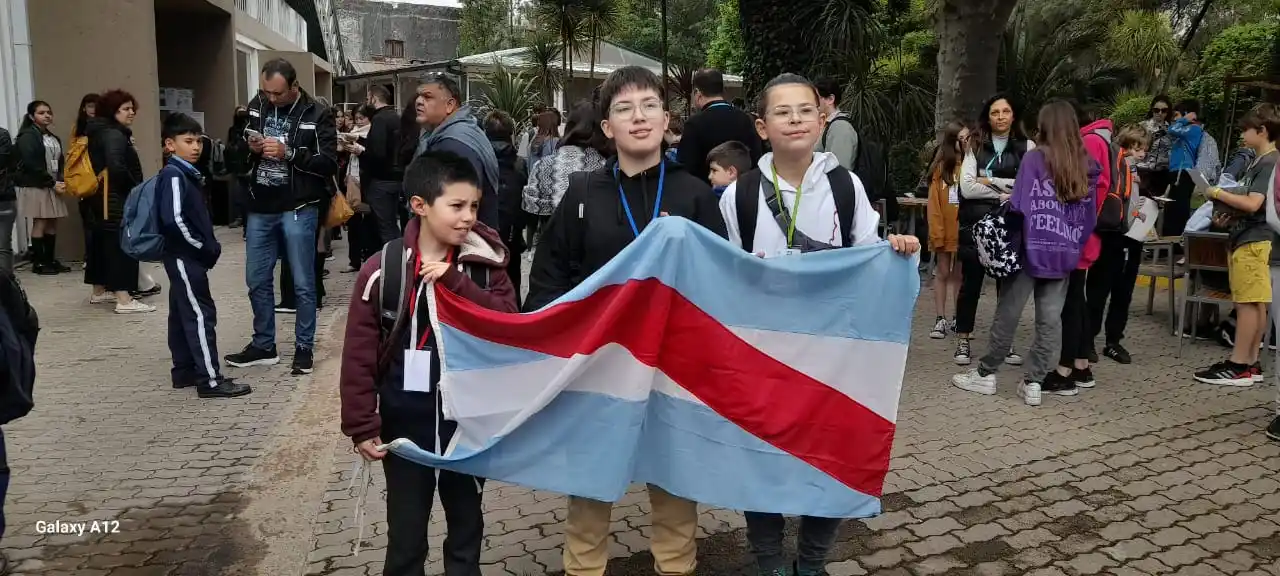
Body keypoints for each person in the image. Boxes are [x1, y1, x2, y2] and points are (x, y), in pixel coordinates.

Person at [526, 65, 727, 576]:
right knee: (590, 495)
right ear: (608, 127)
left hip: (674, 368)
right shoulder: (582, 194)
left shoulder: (696, 194)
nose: (638, 117)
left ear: (666, 118)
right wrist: (550, 351)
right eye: (623, 108)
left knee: (675, 490)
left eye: (649, 106)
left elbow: (722, 284)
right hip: (598, 369)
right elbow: (547, 285)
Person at [717, 72, 919, 576]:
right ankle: (769, 563)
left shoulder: (845, 187)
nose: (796, 120)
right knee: (760, 466)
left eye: (806, 110)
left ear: (823, 117)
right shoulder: (737, 196)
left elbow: (867, 257)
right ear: (762, 127)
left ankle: (811, 565)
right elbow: (726, 275)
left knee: (829, 462)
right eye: (782, 112)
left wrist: (894, 250)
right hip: (764, 359)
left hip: (834, 359)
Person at [341, 150, 517, 576]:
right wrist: (362, 424)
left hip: (468, 427)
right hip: (404, 429)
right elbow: (358, 353)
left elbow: (509, 323)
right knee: (405, 536)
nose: (467, 217)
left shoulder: (484, 267)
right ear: (420, 205)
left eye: (473, 206)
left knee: (466, 531)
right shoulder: (382, 270)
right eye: (456, 206)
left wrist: (455, 283)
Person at [952, 99, 1097, 406]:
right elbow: (1089, 217)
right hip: (1064, 251)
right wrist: (1072, 243)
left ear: (1044, 126)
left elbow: (1019, 204)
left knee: (1009, 311)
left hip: (1030, 248)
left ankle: (986, 373)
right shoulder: (1085, 164)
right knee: (1050, 318)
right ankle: (1034, 381)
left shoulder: (1034, 159)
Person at [223, 58, 337, 375]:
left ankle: (304, 348)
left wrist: (288, 153)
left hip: (300, 206)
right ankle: (264, 345)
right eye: (266, 92)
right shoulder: (257, 103)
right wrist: (251, 147)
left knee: (302, 282)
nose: (271, 99)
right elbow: (236, 147)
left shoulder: (317, 113)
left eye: (277, 93)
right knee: (256, 279)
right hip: (260, 206)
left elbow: (328, 162)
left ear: (294, 87)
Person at [155, 113, 251, 398]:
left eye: (198, 140)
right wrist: (199, 247)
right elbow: (173, 220)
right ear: (169, 145)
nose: (195, 146)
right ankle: (210, 380)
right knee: (200, 314)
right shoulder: (174, 174)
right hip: (186, 257)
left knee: (181, 312)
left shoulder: (187, 172)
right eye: (188, 141)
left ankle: (184, 370)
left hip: (185, 257)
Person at [1195, 104, 1279, 387]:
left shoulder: (1269, 161)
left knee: (1246, 304)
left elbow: (1254, 202)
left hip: (1255, 241)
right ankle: (1250, 362)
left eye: (1246, 130)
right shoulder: (1260, 161)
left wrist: (1217, 192)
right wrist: (1228, 215)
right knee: (1255, 303)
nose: (1242, 135)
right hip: (1249, 235)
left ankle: (1238, 364)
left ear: (1263, 130)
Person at [954, 94, 1034, 366]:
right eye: (995, 112)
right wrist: (1003, 191)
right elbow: (966, 187)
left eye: (1005, 111)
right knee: (971, 285)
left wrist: (987, 180)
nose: (1000, 117)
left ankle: (1005, 342)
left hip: (1009, 227)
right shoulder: (975, 145)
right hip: (975, 227)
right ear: (987, 116)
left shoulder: (1028, 147)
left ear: (1014, 115)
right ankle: (963, 338)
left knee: (1007, 288)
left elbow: (1029, 186)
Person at [1044, 106, 1110, 396]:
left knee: (1072, 303)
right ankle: (1081, 365)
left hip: (1077, 238)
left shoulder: (1090, 144)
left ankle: (1065, 370)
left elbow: (1090, 194)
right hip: (1084, 237)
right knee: (1077, 301)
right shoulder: (1098, 140)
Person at [84, 90, 154, 313]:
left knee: (101, 244)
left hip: (100, 198)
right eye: (125, 108)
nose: (131, 112)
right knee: (121, 246)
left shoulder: (100, 131)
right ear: (112, 111)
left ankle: (100, 290)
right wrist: (135, 188)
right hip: (115, 199)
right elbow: (116, 166)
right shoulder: (114, 134)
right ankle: (124, 298)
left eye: (132, 108)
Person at [1086, 125, 1150, 365]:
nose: (1140, 154)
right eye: (1136, 148)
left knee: (1123, 292)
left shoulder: (1137, 172)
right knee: (1099, 289)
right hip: (1112, 234)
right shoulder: (1115, 164)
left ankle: (1113, 339)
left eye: (1144, 150)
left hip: (1132, 237)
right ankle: (1088, 338)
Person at [414, 75, 500, 230]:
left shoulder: (453, 144)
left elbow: (458, 206)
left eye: (427, 96)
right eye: (418, 96)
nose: (419, 101)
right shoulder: (455, 133)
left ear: (449, 105)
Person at [520, 101, 610, 220]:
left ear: (569, 126)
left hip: (550, 236)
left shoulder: (542, 166)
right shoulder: (609, 168)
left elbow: (530, 213)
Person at [677, 68, 763, 185]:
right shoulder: (745, 119)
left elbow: (686, 169)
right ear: (722, 90)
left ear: (697, 93)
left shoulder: (694, 124)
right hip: (744, 192)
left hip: (707, 196)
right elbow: (757, 158)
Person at [925, 120, 969, 339]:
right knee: (942, 272)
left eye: (967, 138)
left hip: (964, 232)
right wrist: (937, 232)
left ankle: (958, 318)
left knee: (959, 275)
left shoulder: (973, 167)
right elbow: (934, 204)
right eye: (961, 139)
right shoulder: (942, 169)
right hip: (944, 230)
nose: (965, 143)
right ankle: (940, 318)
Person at [15, 100, 69, 275]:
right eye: (41, 113)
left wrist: (60, 180)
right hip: (37, 184)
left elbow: (59, 162)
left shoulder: (52, 137)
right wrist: (51, 182)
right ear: (32, 116)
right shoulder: (28, 136)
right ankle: (38, 262)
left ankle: (49, 260)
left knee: (53, 221)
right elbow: (31, 163)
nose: (47, 115)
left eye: (49, 112)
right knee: (41, 221)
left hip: (52, 184)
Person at [485, 110, 529, 303]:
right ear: (511, 133)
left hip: (483, 229)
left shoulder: (479, 159)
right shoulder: (520, 163)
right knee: (512, 278)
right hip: (512, 232)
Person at [355, 85, 404, 245]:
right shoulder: (395, 117)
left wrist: (360, 151)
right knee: (390, 225)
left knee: (384, 228)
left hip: (381, 180)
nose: (367, 102)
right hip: (396, 178)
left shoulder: (380, 119)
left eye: (368, 98)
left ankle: (393, 263)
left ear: (374, 99)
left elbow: (377, 153)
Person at [1163, 99, 1205, 237]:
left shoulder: (1194, 129)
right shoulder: (1186, 129)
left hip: (1184, 172)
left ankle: (1176, 238)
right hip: (1177, 171)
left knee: (1177, 207)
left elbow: (1171, 129)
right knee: (1172, 207)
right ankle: (1171, 238)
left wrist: (1184, 120)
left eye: (1177, 115)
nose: (1175, 119)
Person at [342, 106, 375, 273]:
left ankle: (369, 258)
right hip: (352, 178)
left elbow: (376, 156)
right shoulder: (351, 132)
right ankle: (354, 260)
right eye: (357, 118)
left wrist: (360, 150)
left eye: (363, 118)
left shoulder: (373, 133)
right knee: (353, 220)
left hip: (367, 181)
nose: (359, 121)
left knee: (368, 221)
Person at [813, 77, 858, 171]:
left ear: (830, 99)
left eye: (815, 98)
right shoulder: (825, 125)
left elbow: (840, 172)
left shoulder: (840, 127)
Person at [1136, 95, 1173, 198]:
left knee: (1156, 204)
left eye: (1164, 110)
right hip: (1143, 170)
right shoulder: (1142, 126)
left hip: (1162, 172)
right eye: (1156, 110)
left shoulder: (1172, 129)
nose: (1160, 113)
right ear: (1152, 110)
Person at [0, 127, 14, 275]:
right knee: (3, 247)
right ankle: (6, 288)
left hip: (3, 197)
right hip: (4, 196)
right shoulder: (3, 134)